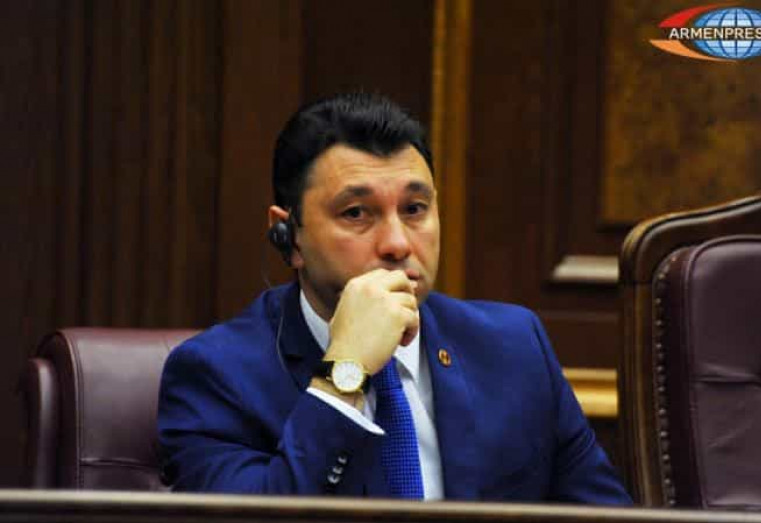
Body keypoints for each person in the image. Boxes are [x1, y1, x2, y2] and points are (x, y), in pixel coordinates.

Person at [157, 92, 631, 503]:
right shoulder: (216, 375)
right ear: (289, 236)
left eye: (415, 209)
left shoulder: (514, 347)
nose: (398, 244)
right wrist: (345, 374)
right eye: (356, 213)